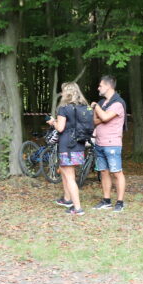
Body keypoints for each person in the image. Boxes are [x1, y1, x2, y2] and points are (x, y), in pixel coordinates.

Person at [48, 81, 92, 216]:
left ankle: (77, 208)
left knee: (70, 177)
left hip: (67, 145)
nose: (61, 93)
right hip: (79, 144)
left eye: (63, 91)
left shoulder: (64, 108)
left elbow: (60, 128)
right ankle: (67, 199)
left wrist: (53, 122)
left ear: (66, 93)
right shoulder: (83, 107)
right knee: (65, 171)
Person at [90, 74, 126, 212]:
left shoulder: (118, 103)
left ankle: (120, 202)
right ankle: (106, 201)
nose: (98, 88)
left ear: (108, 86)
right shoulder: (102, 103)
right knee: (104, 172)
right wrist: (102, 114)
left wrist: (95, 107)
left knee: (116, 172)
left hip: (112, 144)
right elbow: (95, 120)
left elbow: (104, 117)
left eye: (100, 85)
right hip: (99, 143)